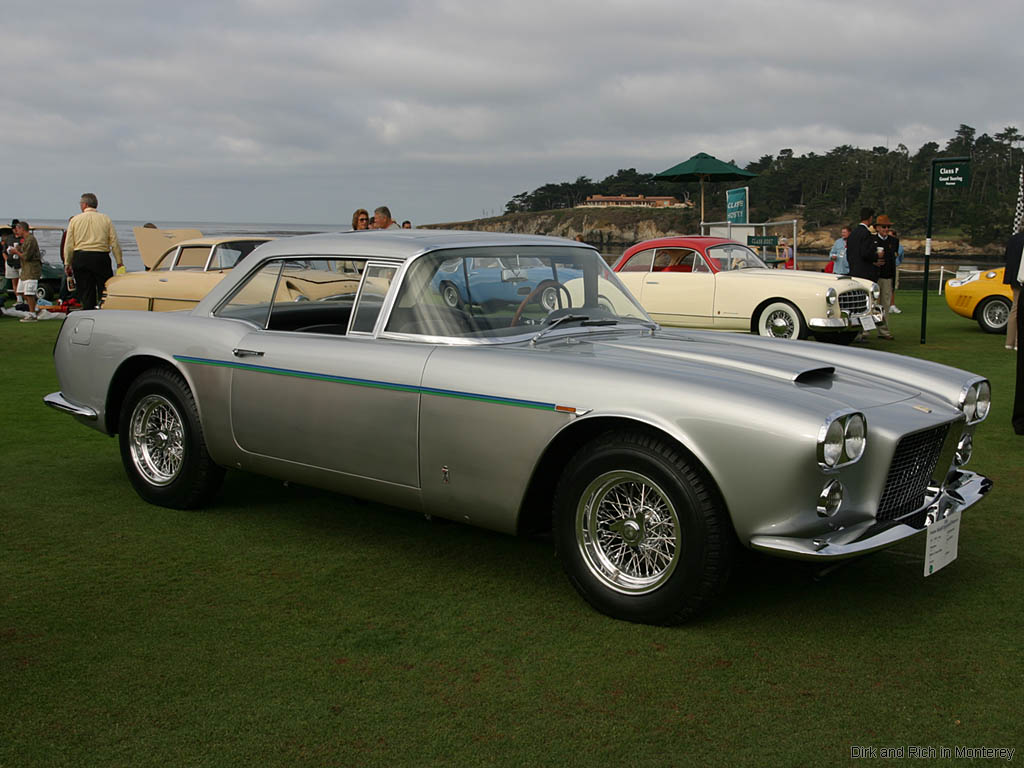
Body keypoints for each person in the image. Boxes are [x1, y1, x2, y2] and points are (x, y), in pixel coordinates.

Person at [63, 193, 124, 310]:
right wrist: (119, 261)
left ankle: (88, 311)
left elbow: (69, 244)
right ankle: (104, 311)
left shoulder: (75, 220)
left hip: (81, 257)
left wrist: (67, 262)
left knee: (85, 291)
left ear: (84, 204)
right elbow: (114, 242)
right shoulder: (105, 219)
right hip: (100, 257)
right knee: (104, 289)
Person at [872, 214, 897, 339]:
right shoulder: (871, 240)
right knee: (871, 304)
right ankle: (864, 331)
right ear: (877, 228)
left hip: (887, 277)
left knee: (885, 305)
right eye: (883, 227)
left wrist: (893, 280)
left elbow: (894, 261)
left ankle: (883, 331)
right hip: (874, 277)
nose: (886, 229)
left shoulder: (893, 241)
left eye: (887, 227)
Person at [12, 221, 40, 321]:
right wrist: (19, 248)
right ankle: (34, 309)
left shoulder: (30, 239)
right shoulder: (25, 240)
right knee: (22, 292)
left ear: (22, 229)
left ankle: (32, 314)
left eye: (17, 229)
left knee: (29, 293)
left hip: (31, 270)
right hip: (25, 270)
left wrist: (16, 252)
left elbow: (26, 256)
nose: (16, 231)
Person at [847, 207, 878, 282]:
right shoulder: (866, 233)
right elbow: (865, 253)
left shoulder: (853, 233)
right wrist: (876, 256)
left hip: (853, 269)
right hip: (864, 271)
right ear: (870, 218)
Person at [1004, 230, 1023, 352]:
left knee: (1014, 309)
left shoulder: (1013, 238)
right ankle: (1018, 342)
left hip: (1013, 277)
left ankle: (1009, 342)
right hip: (1021, 277)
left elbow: (1006, 256)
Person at [2, 219, 20, 300]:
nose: (15, 230)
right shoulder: (9, 238)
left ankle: (24, 300)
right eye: (13, 228)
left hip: (21, 263)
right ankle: (19, 299)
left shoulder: (23, 237)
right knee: (14, 281)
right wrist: (7, 260)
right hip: (11, 263)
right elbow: (4, 251)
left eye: (16, 228)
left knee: (22, 282)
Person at [889, 227, 905, 313]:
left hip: (894, 267)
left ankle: (892, 305)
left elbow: (900, 257)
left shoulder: (899, 247)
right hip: (885, 267)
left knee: (892, 287)